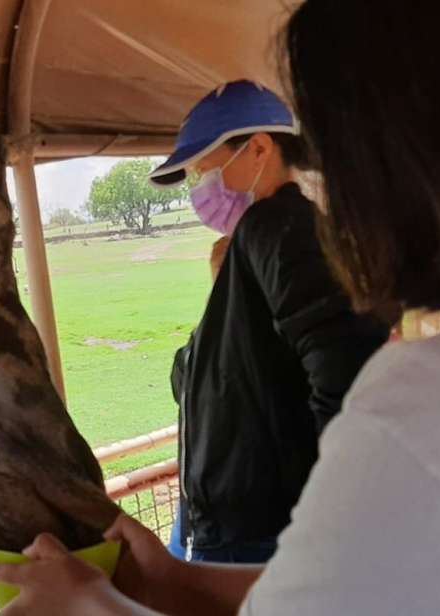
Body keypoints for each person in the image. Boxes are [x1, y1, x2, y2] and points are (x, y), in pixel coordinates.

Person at [0, 0, 440, 614]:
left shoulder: (431, 413)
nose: (337, 185)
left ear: (433, 154)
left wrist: (81, 608)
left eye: (345, 145)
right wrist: (175, 581)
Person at [159, 80, 390, 564]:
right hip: (239, 523)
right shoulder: (259, 243)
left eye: (207, 170)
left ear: (259, 148)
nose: (203, 190)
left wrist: (332, 502)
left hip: (261, 528)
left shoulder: (278, 229)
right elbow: (205, 376)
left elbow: (345, 368)